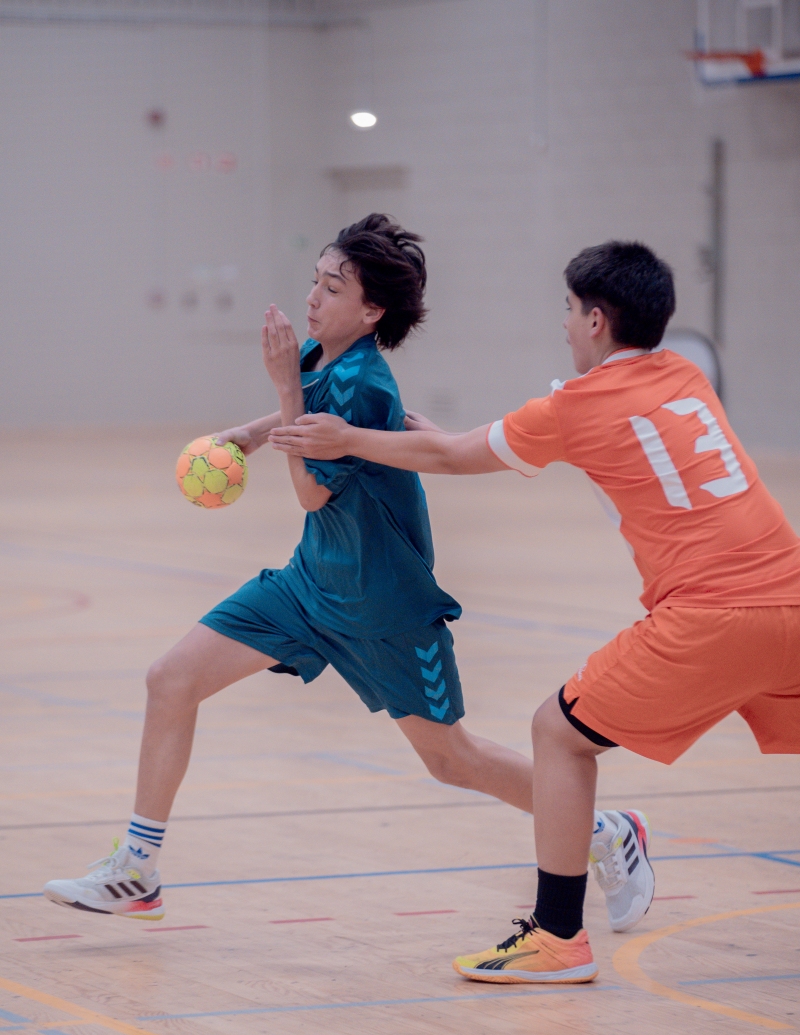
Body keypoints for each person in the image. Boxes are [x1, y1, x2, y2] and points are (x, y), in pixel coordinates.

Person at [269, 239, 800, 984]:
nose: (564, 323)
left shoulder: (579, 404)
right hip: (792, 598)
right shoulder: (685, 376)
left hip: (712, 614)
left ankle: (557, 939)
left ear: (596, 320)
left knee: (558, 733)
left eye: (569, 309)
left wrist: (349, 438)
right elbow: (480, 447)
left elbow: (459, 460)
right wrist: (442, 439)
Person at [44, 213, 546, 921]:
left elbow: (311, 492)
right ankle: (137, 868)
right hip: (311, 585)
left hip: (383, 606)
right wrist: (249, 434)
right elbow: (305, 402)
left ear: (371, 311)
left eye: (332, 287)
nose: (313, 297)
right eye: (315, 279)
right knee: (171, 680)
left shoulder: (364, 384)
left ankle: (602, 830)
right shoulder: (323, 353)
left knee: (451, 760)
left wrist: (282, 391)